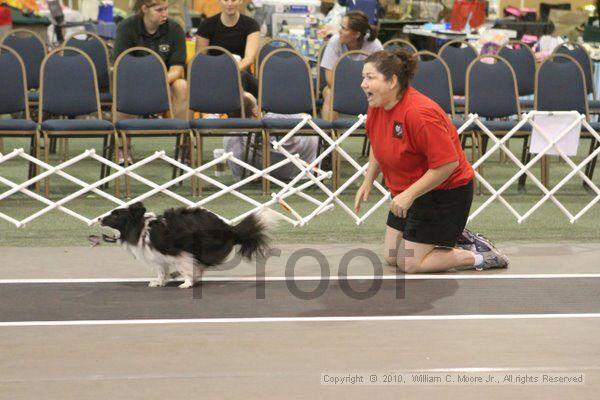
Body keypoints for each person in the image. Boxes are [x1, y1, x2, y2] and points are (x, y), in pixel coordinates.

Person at [354, 50, 509, 273]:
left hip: (444, 192)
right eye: (363, 77)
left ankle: (479, 256)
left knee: (409, 263)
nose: (363, 84)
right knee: (391, 257)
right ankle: (458, 238)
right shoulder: (377, 106)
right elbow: (379, 144)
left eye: (370, 77)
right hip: (411, 190)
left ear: (392, 81)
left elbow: (448, 164)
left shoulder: (420, 113)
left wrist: (408, 195)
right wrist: (368, 180)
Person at [113, 0, 188, 163]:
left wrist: (156, 85)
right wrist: (143, 84)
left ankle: (182, 147)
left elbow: (176, 69)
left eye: (166, 9)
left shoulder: (174, 29)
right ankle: (122, 147)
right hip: (133, 81)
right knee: (122, 86)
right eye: (159, 10)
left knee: (182, 85)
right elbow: (120, 65)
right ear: (144, 9)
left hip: (164, 83)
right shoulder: (126, 27)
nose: (165, 14)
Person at [223, 93, 320, 181]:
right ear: (254, 112)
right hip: (301, 174)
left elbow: (238, 175)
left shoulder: (230, 138)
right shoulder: (275, 117)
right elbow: (307, 118)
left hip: (254, 178)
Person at [320, 10, 383, 121]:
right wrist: (349, 90)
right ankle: (328, 135)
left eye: (344, 28)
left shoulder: (375, 46)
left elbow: (381, 78)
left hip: (367, 91)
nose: (339, 31)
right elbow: (329, 80)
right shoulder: (335, 42)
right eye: (341, 27)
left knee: (383, 95)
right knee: (329, 93)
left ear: (356, 34)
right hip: (339, 90)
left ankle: (375, 134)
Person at [195, 0, 260, 97]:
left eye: (233, 0)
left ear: (240, 1)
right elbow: (200, 59)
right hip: (214, 74)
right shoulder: (206, 25)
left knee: (240, 77)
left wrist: (229, 71)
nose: (229, 4)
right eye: (225, 0)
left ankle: (245, 100)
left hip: (241, 74)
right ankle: (245, 99)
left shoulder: (251, 25)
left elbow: (249, 59)